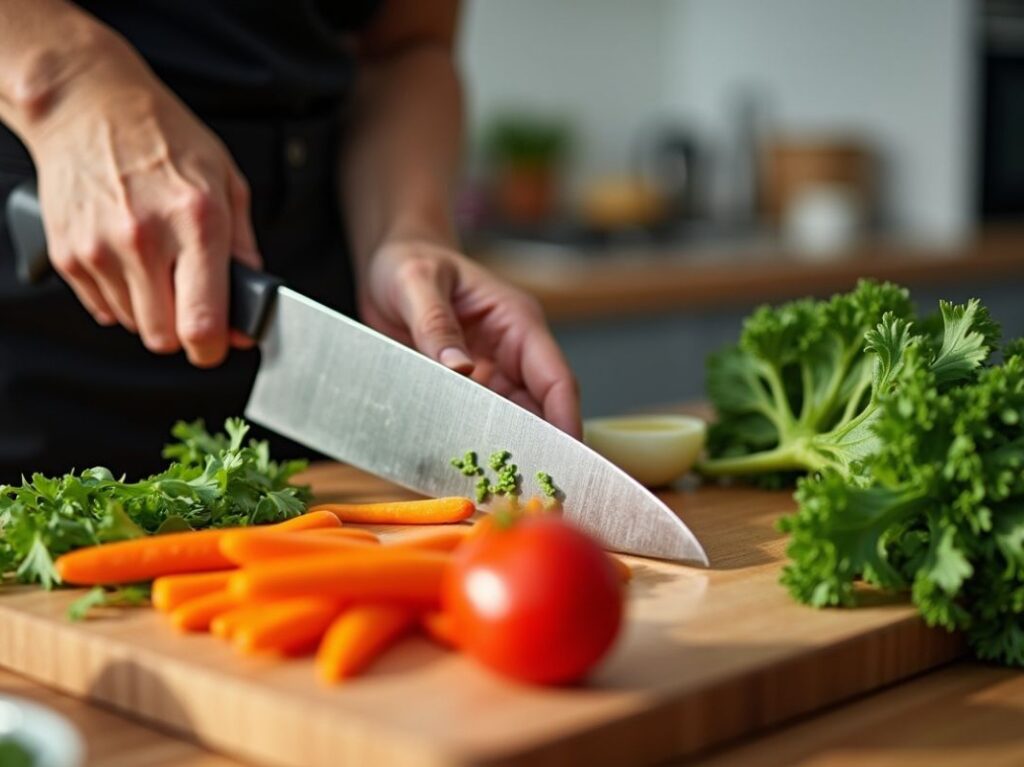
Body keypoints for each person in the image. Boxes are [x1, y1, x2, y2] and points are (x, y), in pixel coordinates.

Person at [0, 0, 580, 481]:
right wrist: (69, 81)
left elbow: (406, 48)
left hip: (306, 390)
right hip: (33, 353)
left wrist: (406, 230)